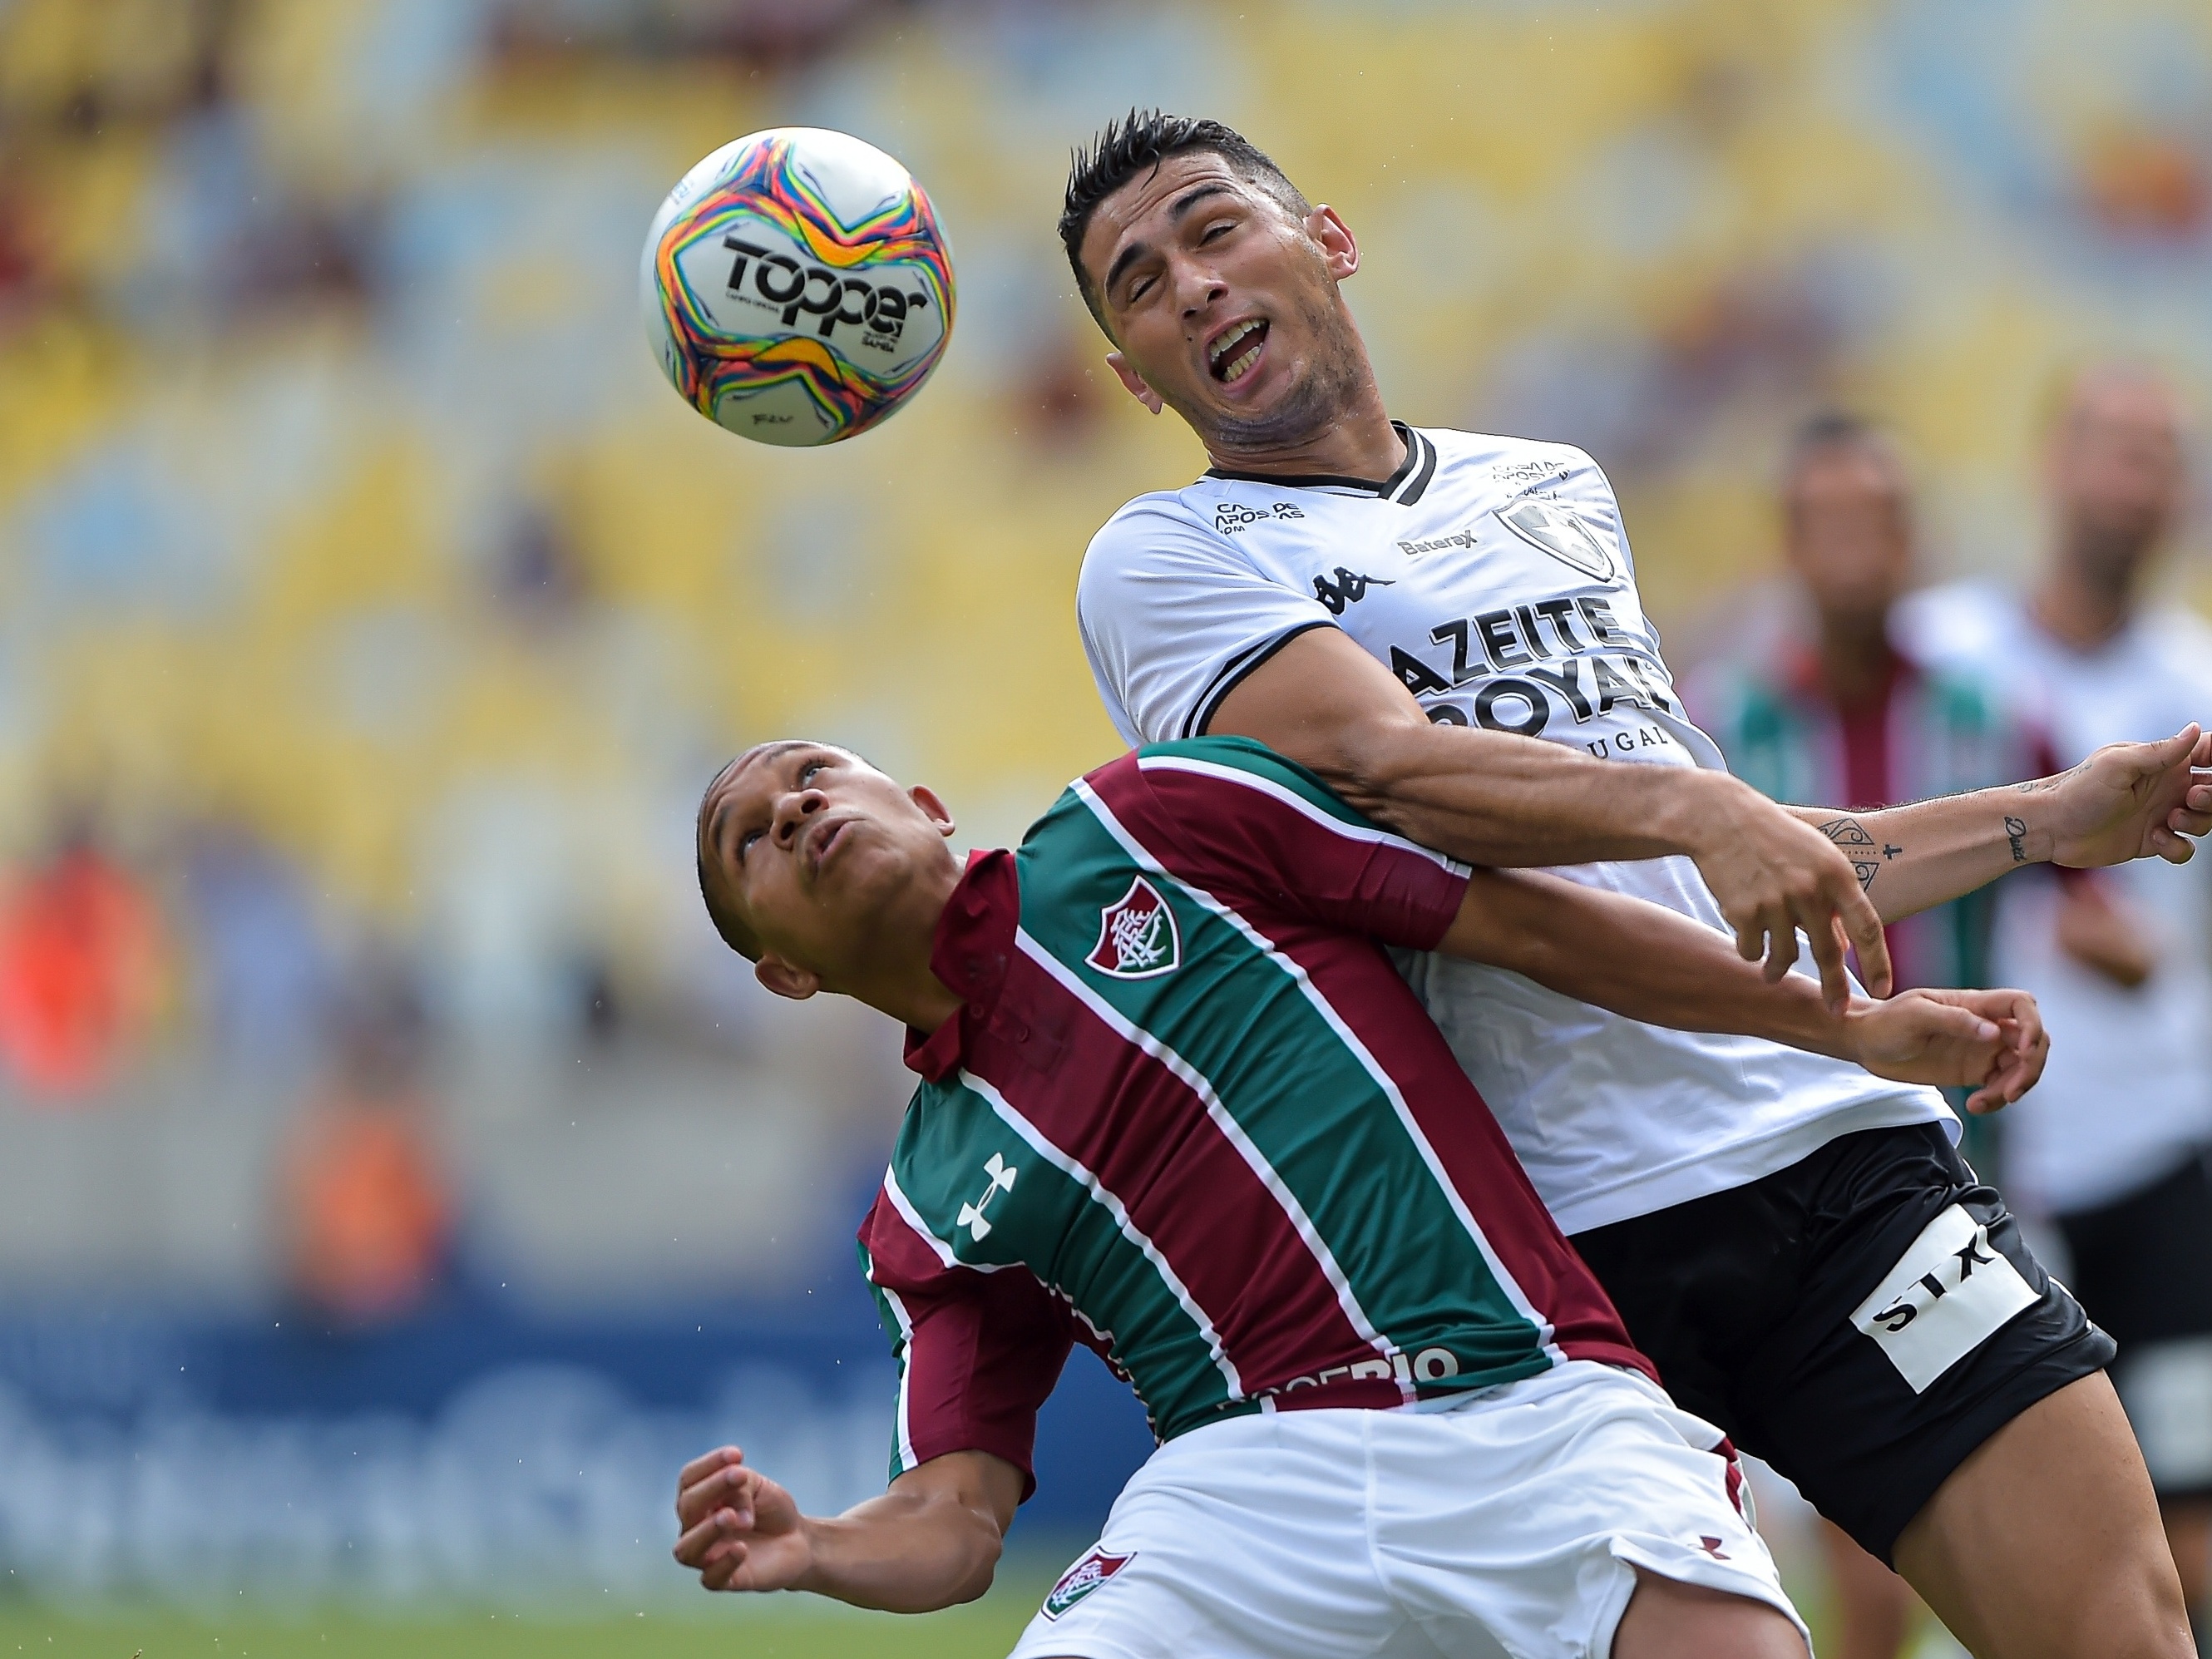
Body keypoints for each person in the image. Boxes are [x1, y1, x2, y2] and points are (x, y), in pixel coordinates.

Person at [1060, 111, 2212, 1658]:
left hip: (1841, 1165)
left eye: (1214, 230)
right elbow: (1392, 771)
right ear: (1135, 376)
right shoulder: (1165, 559)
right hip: (1552, 1276)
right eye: (1140, 283)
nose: (1190, 285)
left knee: (2122, 1636)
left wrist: (2050, 817)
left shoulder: (1552, 483)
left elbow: (1725, 856)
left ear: (1326, 239)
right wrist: (1700, 806)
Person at [675, 735, 2048, 1657]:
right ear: (783, 974)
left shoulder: (1142, 823)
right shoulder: (921, 1210)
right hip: (1244, 1484)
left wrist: (1849, 1026)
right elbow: (959, 1517)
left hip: (1533, 1400)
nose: (794, 809)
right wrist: (819, 1546)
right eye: (749, 837)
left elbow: (1526, 923)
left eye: (813, 775)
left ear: (923, 806)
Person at [1688, 412, 2032, 1659]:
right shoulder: (1716, 724)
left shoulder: (1986, 715)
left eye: (1875, 520)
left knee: (1983, 1527)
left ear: (1910, 538)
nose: (1854, 550)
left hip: (1977, 1158)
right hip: (1801, 1166)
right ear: (1790, 541)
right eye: (1827, 521)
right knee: (1860, 1567)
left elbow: (2065, 864)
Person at [1901, 366, 2212, 1637]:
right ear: (2050, 465)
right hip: (1974, 1153)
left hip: (2156, 1151)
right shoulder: (1947, 660)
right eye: (2109, 448)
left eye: (2158, 455)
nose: (2132, 480)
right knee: (1969, 1514)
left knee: (2188, 1506)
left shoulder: (2195, 675)